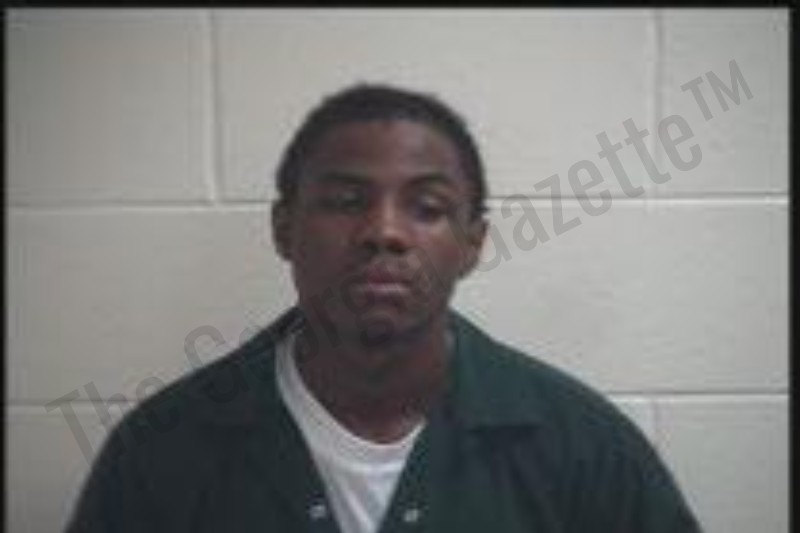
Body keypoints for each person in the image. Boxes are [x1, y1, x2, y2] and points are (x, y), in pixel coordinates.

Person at [66, 84, 703, 533]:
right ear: (284, 230)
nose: (384, 232)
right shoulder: (161, 450)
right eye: (346, 201)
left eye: (427, 208)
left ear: (472, 244)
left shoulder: (586, 449)